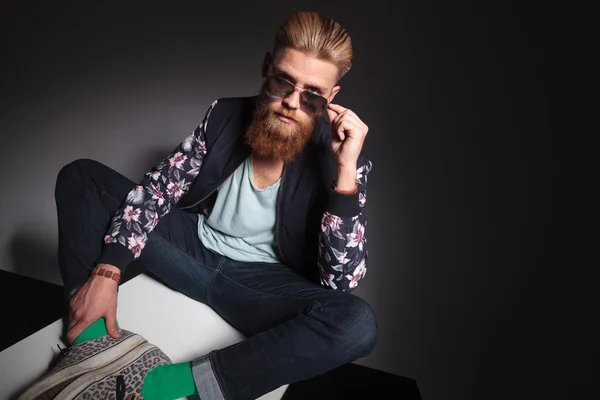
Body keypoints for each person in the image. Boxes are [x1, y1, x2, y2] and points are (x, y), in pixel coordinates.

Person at [31, 10, 376, 400]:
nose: (292, 103)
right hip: (191, 252)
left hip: (263, 287)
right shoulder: (224, 115)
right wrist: (108, 272)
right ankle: (92, 346)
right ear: (267, 68)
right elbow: (158, 190)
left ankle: (165, 387)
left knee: (356, 323)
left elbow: (341, 283)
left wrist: (345, 172)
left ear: (331, 99)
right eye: (284, 81)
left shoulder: (344, 160)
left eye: (312, 95)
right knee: (82, 178)